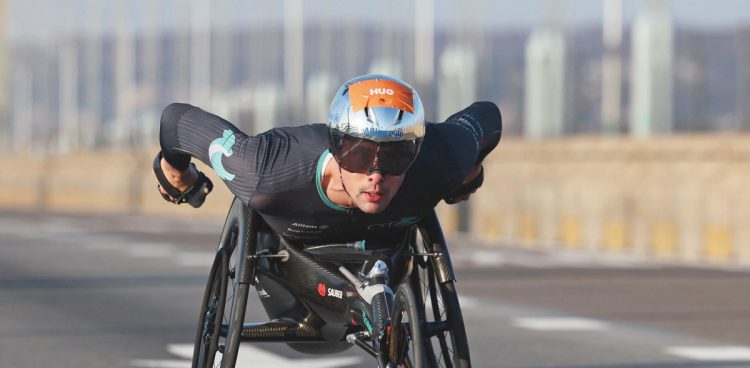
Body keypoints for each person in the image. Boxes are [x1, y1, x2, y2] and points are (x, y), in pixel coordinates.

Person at [154, 73, 501, 247]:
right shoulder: (265, 168)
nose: (376, 175)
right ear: (335, 145)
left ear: (416, 149)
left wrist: (468, 170)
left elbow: (487, 116)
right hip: (288, 248)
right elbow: (175, 121)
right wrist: (177, 171)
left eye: (395, 157)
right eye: (361, 155)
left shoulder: (442, 159)